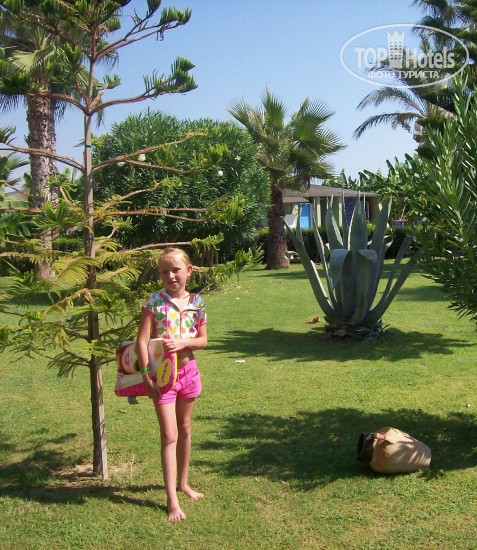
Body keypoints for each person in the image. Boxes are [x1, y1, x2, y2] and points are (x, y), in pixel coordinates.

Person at [137, 247, 207, 522]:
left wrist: (183, 343)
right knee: (169, 434)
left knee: (185, 429)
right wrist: (146, 376)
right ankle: (172, 500)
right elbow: (142, 340)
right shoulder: (153, 302)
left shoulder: (197, 302)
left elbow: (203, 340)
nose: (171, 276)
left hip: (189, 373)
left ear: (188, 271)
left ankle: (183, 483)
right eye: (164, 271)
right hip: (162, 378)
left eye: (176, 270)